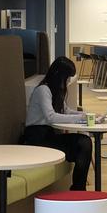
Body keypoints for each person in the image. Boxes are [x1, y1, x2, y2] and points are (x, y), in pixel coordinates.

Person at [23, 56, 92, 190]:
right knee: (83, 144)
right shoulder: (43, 90)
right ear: (59, 75)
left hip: (48, 135)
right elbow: (51, 117)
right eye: (67, 78)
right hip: (37, 138)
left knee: (84, 142)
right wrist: (80, 119)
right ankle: (78, 190)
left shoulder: (55, 91)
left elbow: (66, 111)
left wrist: (86, 116)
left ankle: (78, 189)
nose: (68, 81)